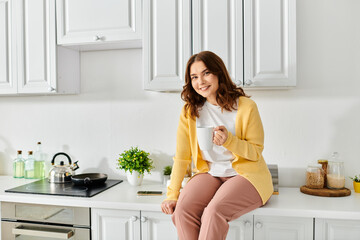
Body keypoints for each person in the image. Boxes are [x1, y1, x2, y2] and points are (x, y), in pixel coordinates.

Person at [161, 51, 273, 240]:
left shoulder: (246, 107)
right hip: (210, 173)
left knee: (213, 212)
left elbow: (255, 152)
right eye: (194, 77)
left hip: (246, 175)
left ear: (219, 73)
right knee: (182, 211)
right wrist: (172, 194)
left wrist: (229, 141)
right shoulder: (191, 111)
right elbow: (182, 157)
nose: (200, 81)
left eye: (206, 73)